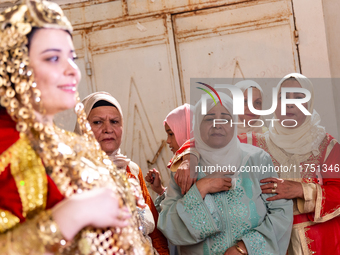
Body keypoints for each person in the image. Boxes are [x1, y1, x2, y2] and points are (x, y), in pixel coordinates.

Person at [0, 1, 149, 254]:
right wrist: (73, 214)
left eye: (72, 57)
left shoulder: (72, 145)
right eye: (53, 58)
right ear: (16, 67)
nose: (72, 70)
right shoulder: (7, 148)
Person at [158, 92, 293, 255]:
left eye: (225, 118)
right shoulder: (185, 170)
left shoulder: (257, 160)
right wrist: (201, 187)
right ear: (198, 124)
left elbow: (281, 212)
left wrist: (245, 247)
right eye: (209, 118)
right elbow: (168, 225)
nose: (217, 124)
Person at [239, 73, 340, 254]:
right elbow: (209, 143)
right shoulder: (255, 143)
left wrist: (301, 190)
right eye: (282, 97)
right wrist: (189, 156)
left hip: (322, 243)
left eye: (299, 97)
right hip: (271, 241)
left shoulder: (327, 146)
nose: (289, 103)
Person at [75, 91, 169, 255]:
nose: (108, 129)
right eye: (98, 122)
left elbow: (154, 233)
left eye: (114, 121)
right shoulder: (72, 173)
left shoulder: (131, 170)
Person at [145, 103, 193, 212]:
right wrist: (160, 190)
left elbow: (184, 211)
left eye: (171, 134)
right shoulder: (183, 162)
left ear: (186, 130)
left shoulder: (189, 167)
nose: (168, 141)